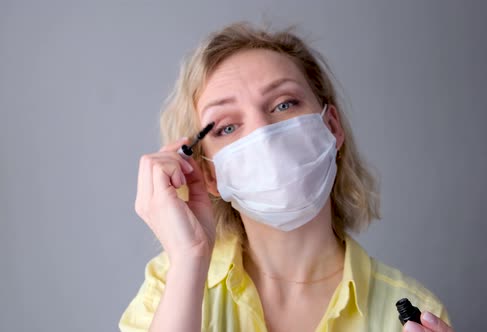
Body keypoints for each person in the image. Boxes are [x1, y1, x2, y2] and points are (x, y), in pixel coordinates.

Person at [119, 22, 453, 332]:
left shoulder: (415, 312)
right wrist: (190, 258)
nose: (263, 133)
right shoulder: (170, 285)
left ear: (331, 127)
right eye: (227, 127)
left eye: (284, 104)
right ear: (208, 174)